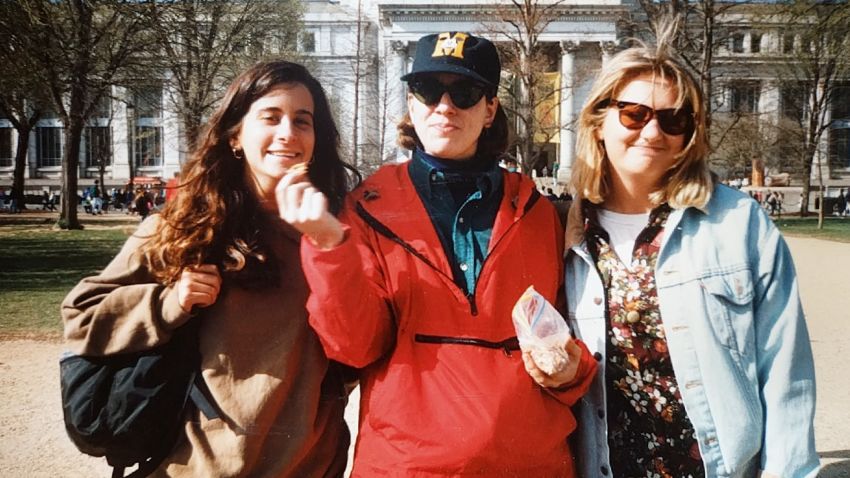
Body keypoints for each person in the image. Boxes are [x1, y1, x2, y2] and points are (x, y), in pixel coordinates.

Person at [276, 31, 596, 476]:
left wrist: (572, 370)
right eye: (428, 91)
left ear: (489, 111)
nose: (444, 106)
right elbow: (354, 347)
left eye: (464, 93)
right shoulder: (367, 207)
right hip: (408, 465)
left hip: (531, 462)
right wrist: (328, 247)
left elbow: (567, 338)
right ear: (411, 105)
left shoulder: (538, 211)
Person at [61, 60, 358, 477]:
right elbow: (80, 315)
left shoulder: (340, 234)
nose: (288, 133)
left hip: (308, 466)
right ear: (236, 135)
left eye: (302, 121)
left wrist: (334, 248)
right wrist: (169, 302)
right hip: (194, 467)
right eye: (271, 118)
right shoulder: (187, 226)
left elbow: (365, 349)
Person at [564, 19, 819, 478]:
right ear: (599, 120)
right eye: (634, 114)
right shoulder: (566, 231)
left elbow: (786, 373)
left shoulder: (737, 223)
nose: (652, 131)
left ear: (689, 135)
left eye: (673, 118)